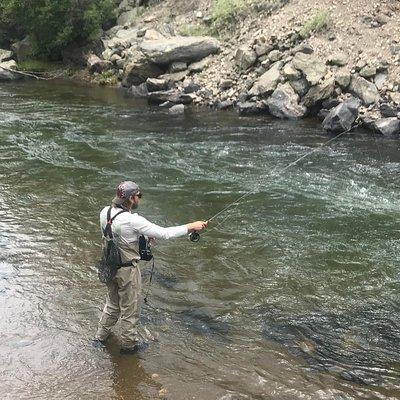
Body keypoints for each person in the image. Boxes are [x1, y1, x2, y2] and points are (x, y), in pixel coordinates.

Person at [94, 181, 207, 354]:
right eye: (139, 196)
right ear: (131, 198)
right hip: (127, 271)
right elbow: (165, 233)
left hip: (109, 267)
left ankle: (100, 338)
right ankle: (128, 348)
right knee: (130, 311)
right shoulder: (133, 220)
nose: (139, 198)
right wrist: (191, 226)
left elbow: (118, 235)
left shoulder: (105, 212)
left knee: (112, 304)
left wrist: (143, 238)